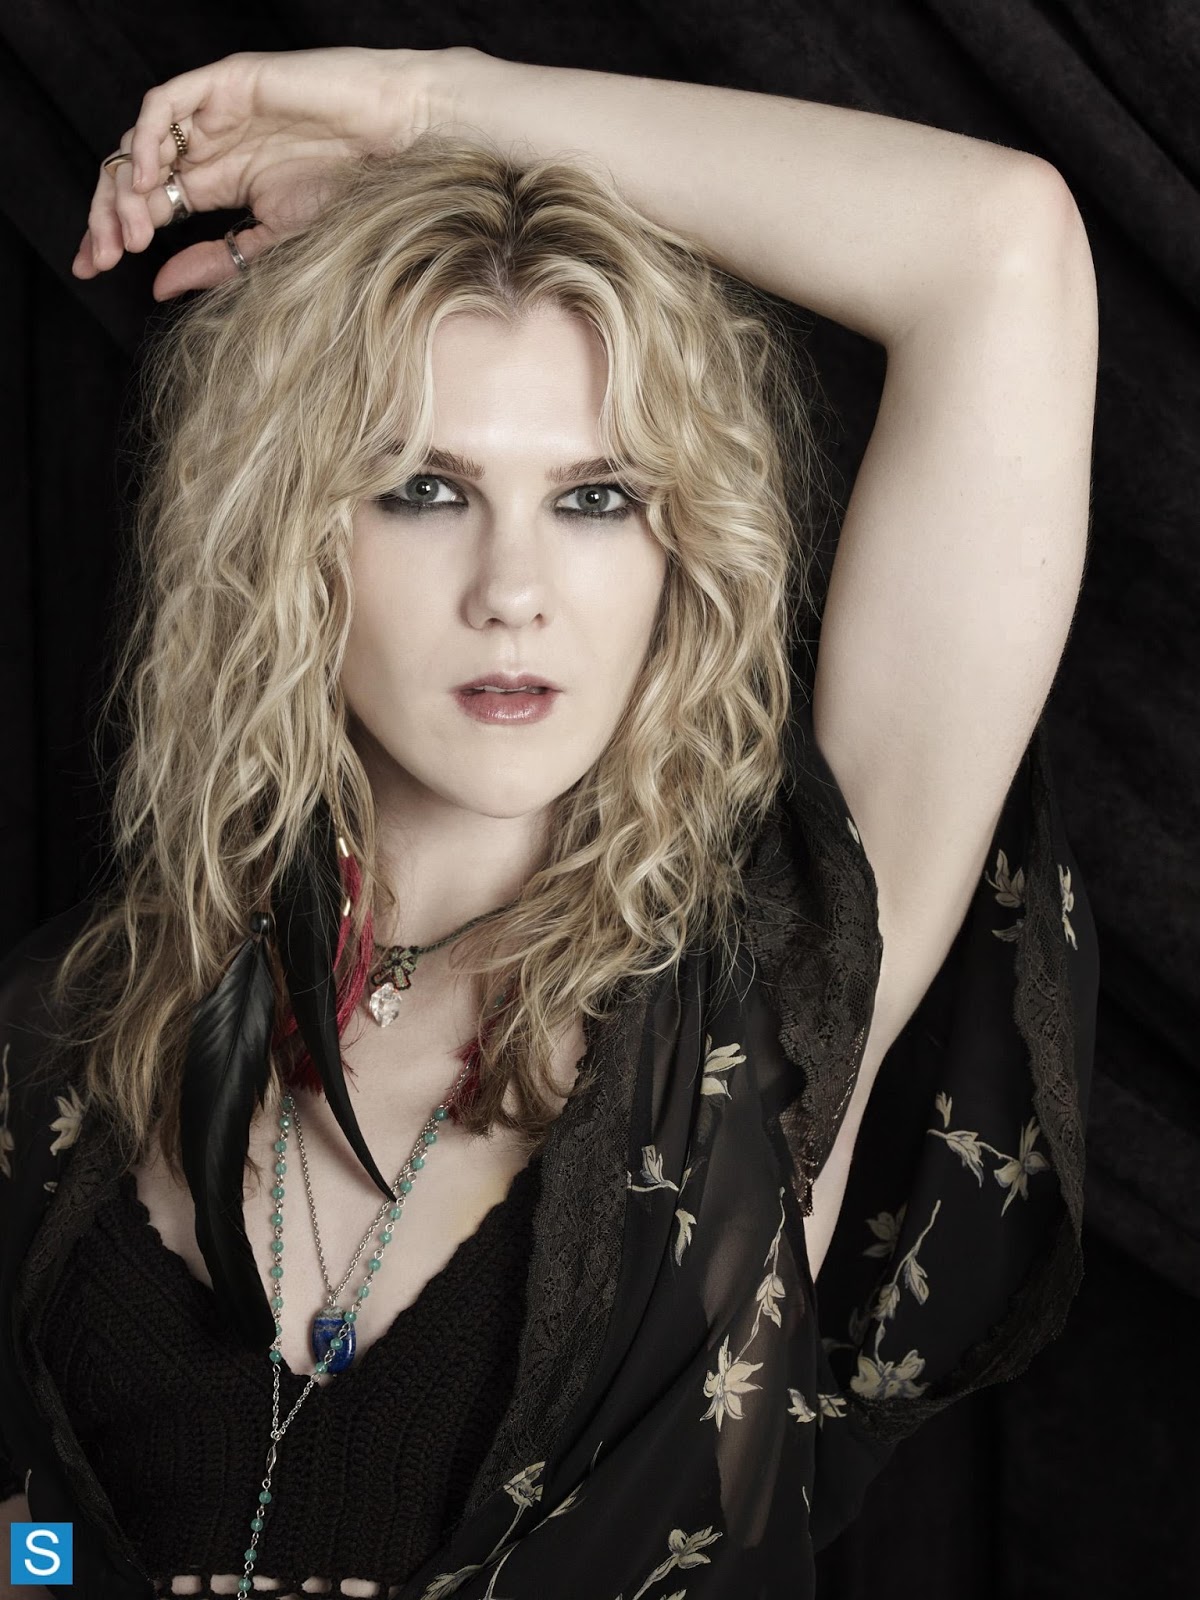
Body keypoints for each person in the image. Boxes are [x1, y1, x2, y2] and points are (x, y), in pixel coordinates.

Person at [0, 42, 1098, 1600]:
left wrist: (430, 114)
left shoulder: (759, 997)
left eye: (595, 499)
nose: (512, 590)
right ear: (292, 538)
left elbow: (999, 251)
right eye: (422, 487)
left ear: (681, 553)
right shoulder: (69, 1032)